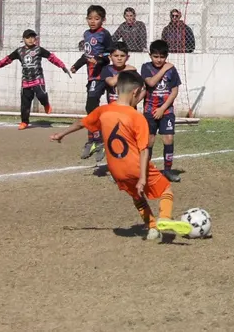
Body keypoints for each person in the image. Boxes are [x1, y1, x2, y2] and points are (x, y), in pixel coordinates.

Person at [49, 70, 192, 242]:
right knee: (166, 188)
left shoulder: (103, 111)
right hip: (135, 167)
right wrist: (142, 178)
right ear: (136, 92)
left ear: (117, 89)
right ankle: (165, 218)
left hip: (116, 170)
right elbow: (144, 150)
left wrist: (61, 134)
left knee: (136, 196)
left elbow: (81, 123)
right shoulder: (137, 117)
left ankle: (152, 228)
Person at [0, 29, 72, 129]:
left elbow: (51, 57)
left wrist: (62, 66)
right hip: (26, 81)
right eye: (28, 37)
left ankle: (45, 103)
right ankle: (24, 122)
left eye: (32, 37)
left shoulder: (39, 50)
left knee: (41, 95)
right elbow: (7, 59)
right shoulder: (19, 51)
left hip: (38, 78)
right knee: (25, 103)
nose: (30, 39)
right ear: (23, 39)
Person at [70, 5, 114, 162]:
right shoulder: (87, 34)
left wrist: (99, 60)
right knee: (91, 109)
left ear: (103, 20)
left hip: (102, 75)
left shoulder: (104, 34)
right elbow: (86, 55)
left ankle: (102, 139)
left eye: (96, 18)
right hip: (91, 76)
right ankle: (94, 139)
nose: (93, 21)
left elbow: (110, 53)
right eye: (90, 18)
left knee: (95, 107)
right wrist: (76, 65)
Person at [141, 39, 182, 183]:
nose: (159, 60)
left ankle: (168, 170)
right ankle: (145, 170)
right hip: (150, 111)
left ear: (166, 56)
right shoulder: (146, 67)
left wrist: (163, 108)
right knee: (149, 141)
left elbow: (174, 91)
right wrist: (164, 69)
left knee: (168, 138)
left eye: (162, 57)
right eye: (156, 56)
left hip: (166, 111)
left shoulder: (172, 70)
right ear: (150, 55)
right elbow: (151, 82)